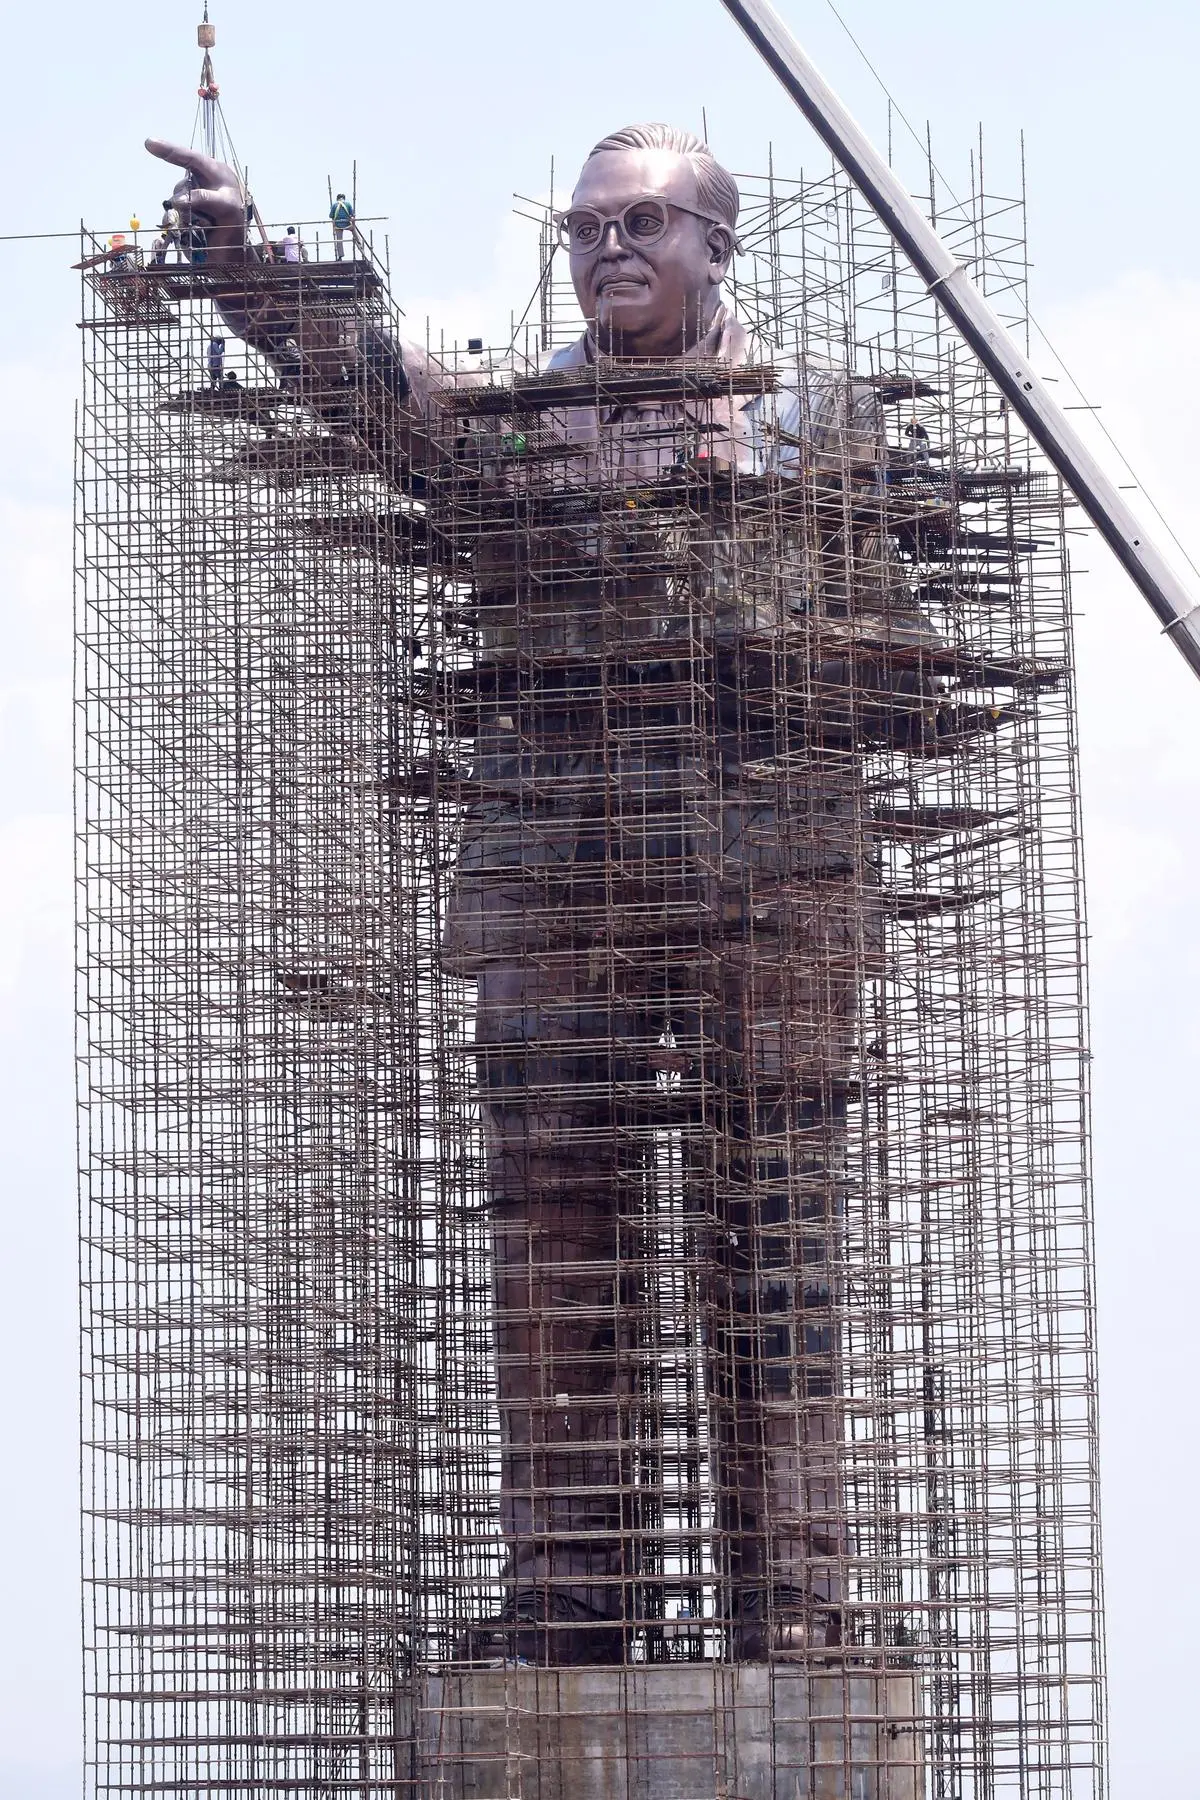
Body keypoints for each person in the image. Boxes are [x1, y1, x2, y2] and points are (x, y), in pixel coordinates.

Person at [145, 123, 935, 1668]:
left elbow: (896, 652)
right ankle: (574, 1599)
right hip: (555, 864)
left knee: (773, 1237)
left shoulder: (819, 424)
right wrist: (245, 267)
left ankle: (799, 1602)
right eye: (584, 229)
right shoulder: (520, 425)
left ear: (721, 248)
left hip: (768, 873)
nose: (610, 250)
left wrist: (776, 624)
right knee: (555, 1237)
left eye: (646, 223)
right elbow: (372, 390)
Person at [329, 191, 354, 261]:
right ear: (344, 198)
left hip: (338, 225)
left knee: (339, 240)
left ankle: (340, 256)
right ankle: (360, 245)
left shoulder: (334, 205)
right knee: (355, 233)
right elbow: (352, 214)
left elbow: (331, 216)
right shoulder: (348, 204)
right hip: (347, 224)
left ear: (337, 199)